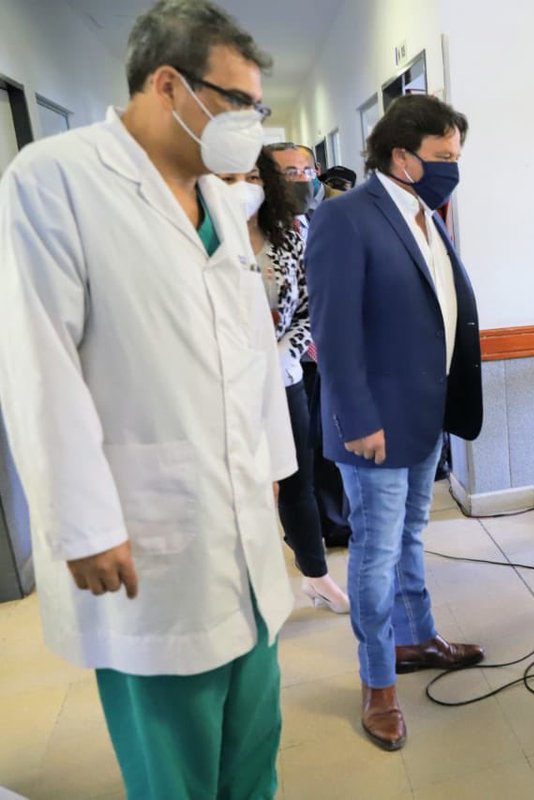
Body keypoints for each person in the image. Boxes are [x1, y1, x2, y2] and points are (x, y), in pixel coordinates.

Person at [0, 2, 295, 796]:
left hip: (240, 527)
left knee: (252, 751)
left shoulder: (223, 207)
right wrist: (83, 523)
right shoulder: (54, 179)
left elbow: (254, 350)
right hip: (143, 538)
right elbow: (37, 362)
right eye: (238, 103)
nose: (251, 126)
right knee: (177, 768)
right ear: (170, 84)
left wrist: (270, 463)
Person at [306, 94, 484, 751]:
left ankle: (415, 638)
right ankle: (377, 681)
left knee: (411, 534)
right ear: (402, 155)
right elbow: (333, 328)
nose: (452, 169)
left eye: (457, 158)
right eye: (443, 157)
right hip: (373, 426)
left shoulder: (425, 216)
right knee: (375, 553)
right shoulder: (347, 218)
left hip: (421, 415)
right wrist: (355, 419)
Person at [219, 152, 351, 613]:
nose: (242, 187)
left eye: (253, 176)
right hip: (222, 385)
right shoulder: (204, 241)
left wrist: (284, 356)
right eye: (228, 178)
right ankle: (245, 587)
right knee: (240, 486)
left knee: (297, 479)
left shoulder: (288, 235)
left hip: (283, 377)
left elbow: (308, 308)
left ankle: (316, 576)